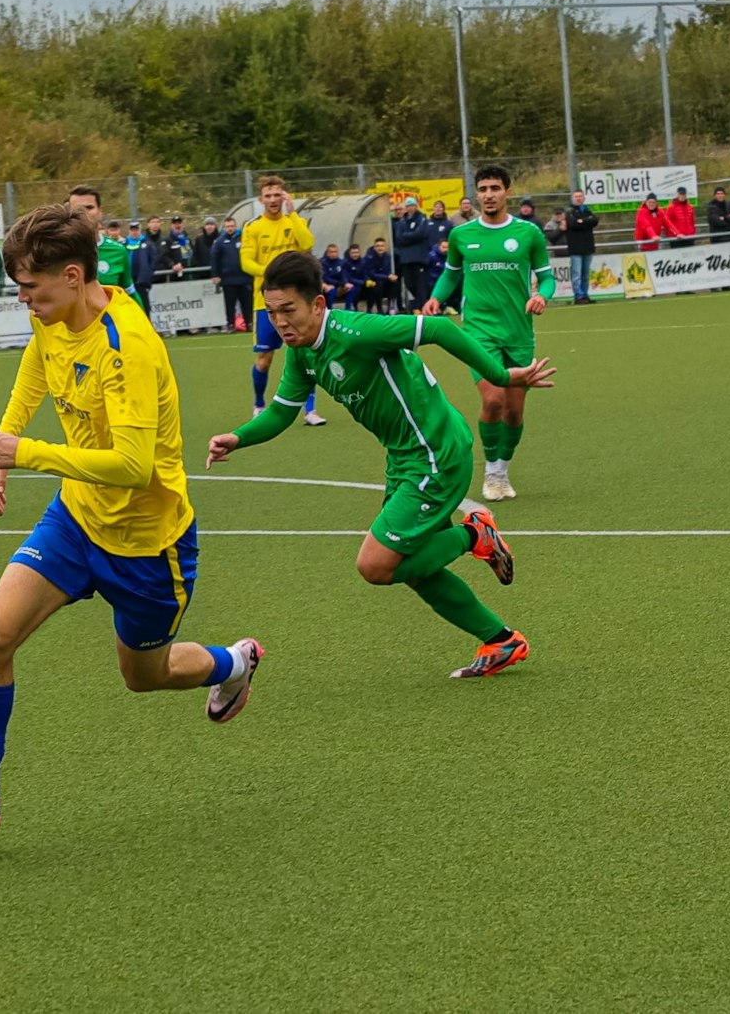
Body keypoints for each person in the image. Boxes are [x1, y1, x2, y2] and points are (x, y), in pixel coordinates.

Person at [0, 204, 259, 851]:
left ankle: (233, 662)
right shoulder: (56, 317)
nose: (26, 304)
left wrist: (26, 453)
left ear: (73, 275)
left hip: (149, 547)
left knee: (143, 676)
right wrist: (8, 435)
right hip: (76, 519)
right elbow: (37, 365)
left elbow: (131, 467)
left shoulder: (127, 346)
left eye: (32, 291)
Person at [206, 251, 554, 679]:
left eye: (288, 310)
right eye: (272, 312)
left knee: (375, 564)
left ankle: (473, 533)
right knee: (410, 565)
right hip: (407, 459)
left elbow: (441, 327)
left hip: (435, 455)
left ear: (317, 304)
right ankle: (500, 640)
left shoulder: (356, 331)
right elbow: (280, 413)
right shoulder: (301, 352)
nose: (280, 322)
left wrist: (501, 376)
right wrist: (237, 438)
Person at [424, 163, 556, 503]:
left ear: (507, 192)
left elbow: (548, 276)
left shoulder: (528, 233)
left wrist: (542, 294)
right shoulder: (461, 235)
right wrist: (436, 298)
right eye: (482, 189)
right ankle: (491, 473)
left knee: (514, 411)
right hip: (479, 330)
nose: (488, 195)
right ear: (476, 194)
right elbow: (451, 274)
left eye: (495, 188)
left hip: (519, 332)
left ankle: (503, 468)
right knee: (492, 399)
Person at [240, 175, 325, 425]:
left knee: (306, 352)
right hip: (264, 303)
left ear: (284, 196)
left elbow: (308, 244)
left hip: (296, 301)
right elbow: (246, 262)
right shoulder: (253, 227)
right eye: (268, 195)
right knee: (264, 360)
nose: (273, 200)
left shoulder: (293, 221)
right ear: (261, 199)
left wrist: (293, 212)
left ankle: (310, 411)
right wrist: (274, 276)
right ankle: (258, 404)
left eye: (278, 195)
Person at [64, 186, 138, 308]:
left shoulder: (118, 251)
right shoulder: (57, 251)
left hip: (108, 325)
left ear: (100, 212)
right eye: (77, 209)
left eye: (89, 207)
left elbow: (130, 293)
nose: (83, 213)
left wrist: (144, 323)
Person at [391, 196, 432, 311]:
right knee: (409, 284)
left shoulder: (422, 219)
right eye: (408, 206)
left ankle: (423, 307)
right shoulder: (402, 221)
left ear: (416, 206)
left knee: (420, 285)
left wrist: (407, 236)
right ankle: (419, 305)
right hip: (405, 258)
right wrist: (411, 236)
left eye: (412, 205)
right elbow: (399, 237)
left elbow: (421, 234)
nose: (410, 208)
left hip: (419, 258)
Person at [563, 190, 600, 304]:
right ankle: (578, 296)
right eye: (576, 196)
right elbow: (573, 224)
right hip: (575, 247)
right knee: (577, 274)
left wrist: (582, 221)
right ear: (572, 198)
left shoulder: (587, 210)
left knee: (585, 274)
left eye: (580, 196)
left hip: (588, 246)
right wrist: (585, 222)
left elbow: (594, 220)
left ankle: (585, 294)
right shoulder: (569, 212)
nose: (578, 198)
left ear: (584, 198)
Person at [209, 220, 247, 330]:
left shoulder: (244, 238)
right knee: (230, 304)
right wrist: (215, 274)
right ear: (225, 228)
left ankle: (249, 323)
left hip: (244, 277)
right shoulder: (220, 241)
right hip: (228, 279)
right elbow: (214, 258)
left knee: (247, 303)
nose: (230, 228)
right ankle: (231, 324)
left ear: (236, 226)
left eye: (232, 226)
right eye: (227, 226)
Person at [362, 237, 396, 313]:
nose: (380, 248)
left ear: (385, 247)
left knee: (394, 283)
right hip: (371, 281)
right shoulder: (370, 257)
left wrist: (391, 276)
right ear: (374, 247)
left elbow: (388, 271)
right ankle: (379, 307)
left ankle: (391, 306)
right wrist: (387, 276)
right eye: (377, 246)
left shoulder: (388, 257)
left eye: (382, 246)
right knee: (378, 284)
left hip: (384, 280)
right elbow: (372, 274)